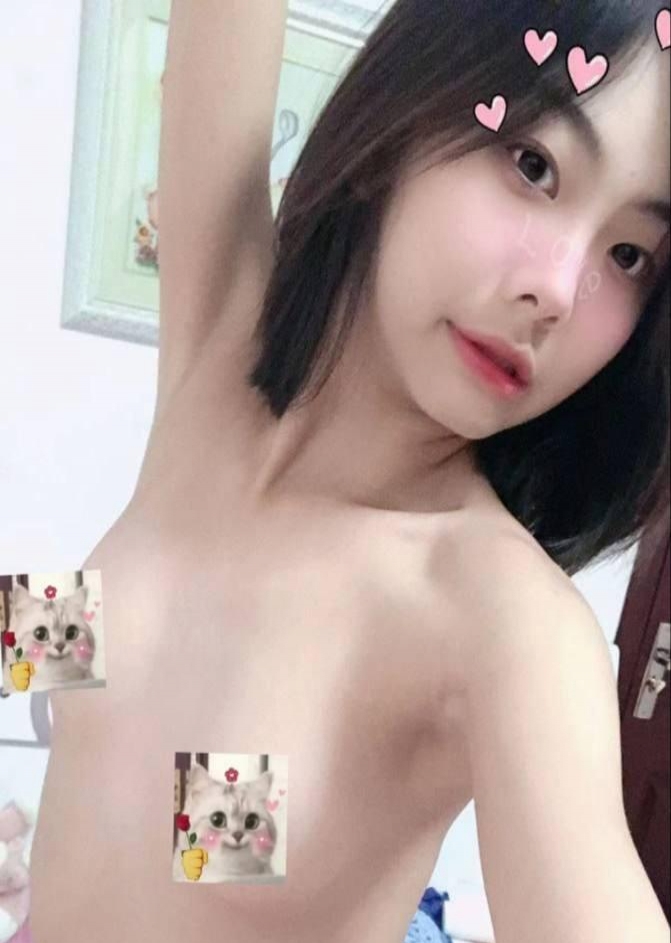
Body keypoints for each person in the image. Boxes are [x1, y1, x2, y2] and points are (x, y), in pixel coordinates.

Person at [29, 2, 670, 941]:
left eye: (628, 254)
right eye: (533, 165)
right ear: (401, 120)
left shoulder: (502, 621)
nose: (558, 289)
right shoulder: (216, 369)